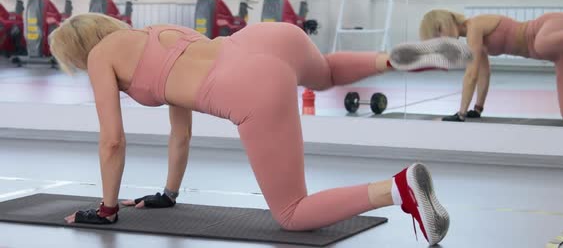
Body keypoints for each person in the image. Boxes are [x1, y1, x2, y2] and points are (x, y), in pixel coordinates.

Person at [50, 13, 470, 245]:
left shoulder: (101, 58)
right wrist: (169, 194)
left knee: (291, 214)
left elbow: (112, 140)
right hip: (266, 39)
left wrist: (106, 210)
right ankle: (390, 60)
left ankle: (399, 188)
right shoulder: (157, 31)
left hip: (249, 84)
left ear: (76, 52)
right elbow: (181, 129)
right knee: (323, 74)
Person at [420, 9, 563, 123]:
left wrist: (461, 113)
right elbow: (482, 74)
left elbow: (470, 74)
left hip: (553, 27)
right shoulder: (476, 42)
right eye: (437, 37)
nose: (442, 37)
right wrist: (478, 109)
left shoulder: (475, 26)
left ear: (448, 19)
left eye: (440, 29)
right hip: (561, 51)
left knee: (540, 44)